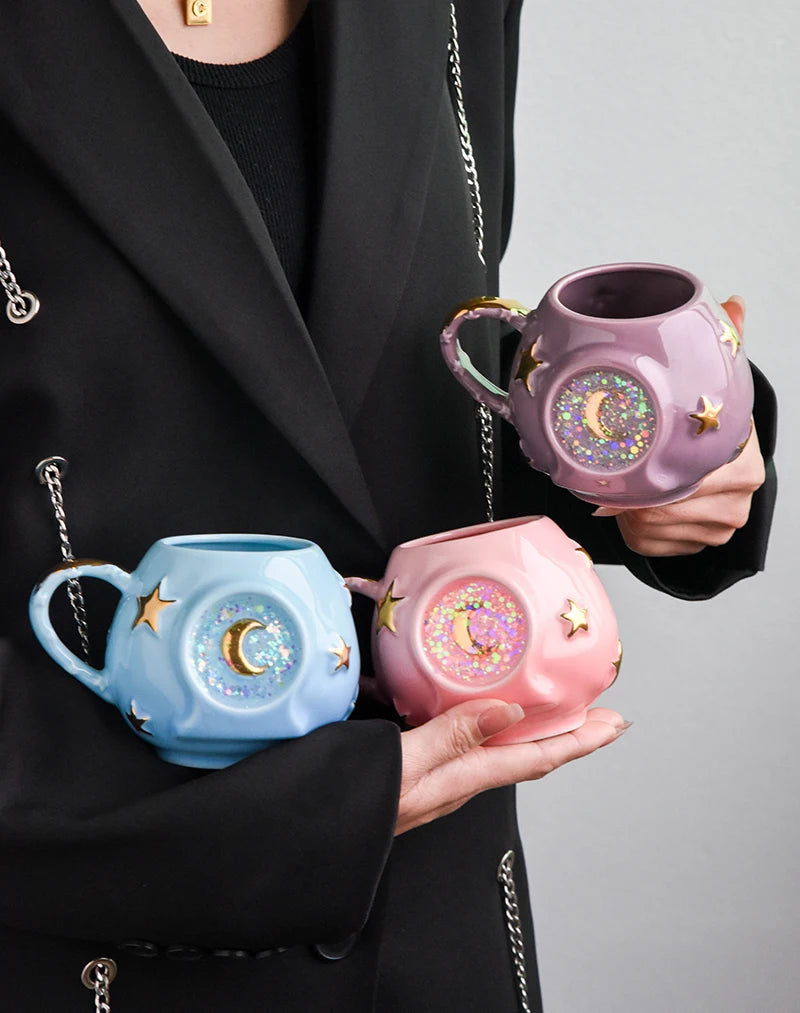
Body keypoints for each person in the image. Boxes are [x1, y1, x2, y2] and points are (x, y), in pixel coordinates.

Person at [0, 1, 776, 1010]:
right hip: (88, 935)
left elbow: (369, 376)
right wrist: (302, 816)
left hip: (445, 925)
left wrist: (635, 434)